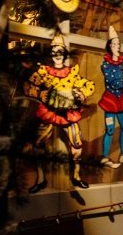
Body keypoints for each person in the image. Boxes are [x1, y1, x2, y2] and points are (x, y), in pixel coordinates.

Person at [26, 32, 95, 191]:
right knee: (38, 143)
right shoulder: (43, 71)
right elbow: (29, 88)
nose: (57, 55)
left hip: (68, 113)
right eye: (54, 50)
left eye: (61, 51)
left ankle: (76, 176)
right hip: (49, 111)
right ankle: (41, 178)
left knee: (77, 143)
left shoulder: (72, 72)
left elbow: (88, 85)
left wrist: (81, 94)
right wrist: (40, 94)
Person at [99, 26, 123, 168]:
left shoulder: (121, 64)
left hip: (120, 101)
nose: (118, 47)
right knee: (111, 129)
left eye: (119, 44)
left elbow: (122, 83)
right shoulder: (106, 65)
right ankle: (105, 157)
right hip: (110, 101)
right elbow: (112, 82)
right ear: (110, 46)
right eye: (115, 44)